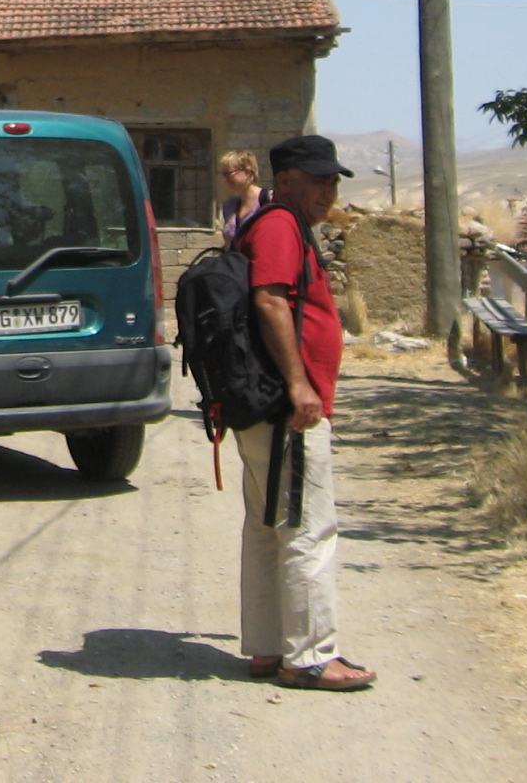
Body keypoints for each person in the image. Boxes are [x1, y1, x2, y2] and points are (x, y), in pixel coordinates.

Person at [231, 134, 375, 691]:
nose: (328, 191)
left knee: (269, 524)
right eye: (317, 180)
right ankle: (310, 656)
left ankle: (270, 648)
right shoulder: (280, 226)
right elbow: (269, 299)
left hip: (268, 405)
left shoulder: (278, 224)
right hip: (287, 408)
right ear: (285, 181)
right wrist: (299, 384)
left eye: (333, 181)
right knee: (307, 526)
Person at [217, 149, 267, 242]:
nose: (225, 180)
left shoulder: (269, 199)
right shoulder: (229, 205)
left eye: (228, 174)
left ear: (247, 172)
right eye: (223, 175)